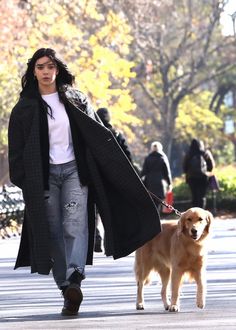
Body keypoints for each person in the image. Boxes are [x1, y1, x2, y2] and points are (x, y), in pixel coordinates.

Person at [8, 48, 161, 316]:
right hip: (43, 178)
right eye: (40, 67)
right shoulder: (24, 108)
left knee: (75, 225)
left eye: (50, 66)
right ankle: (67, 288)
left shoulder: (76, 99)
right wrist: (25, 180)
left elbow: (100, 135)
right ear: (33, 71)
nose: (46, 71)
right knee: (53, 232)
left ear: (58, 70)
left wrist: (115, 170)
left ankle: (75, 277)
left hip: (74, 172)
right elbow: (17, 151)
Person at [94, 107, 133, 252]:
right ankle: (110, 244)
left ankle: (96, 238)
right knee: (111, 211)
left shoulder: (93, 133)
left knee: (94, 210)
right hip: (115, 178)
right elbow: (127, 156)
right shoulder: (117, 134)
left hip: (96, 176)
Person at [183, 138, 215, 209]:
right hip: (203, 177)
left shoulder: (189, 153)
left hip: (191, 178)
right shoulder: (205, 153)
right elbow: (211, 165)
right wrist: (207, 171)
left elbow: (184, 167)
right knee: (202, 196)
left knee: (194, 196)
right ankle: (201, 213)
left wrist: (188, 172)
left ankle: (194, 213)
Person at [141, 141, 172, 211]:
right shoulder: (163, 158)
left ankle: (151, 219)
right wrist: (169, 183)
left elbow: (143, 172)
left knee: (151, 202)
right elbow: (167, 173)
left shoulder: (148, 158)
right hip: (160, 183)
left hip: (149, 182)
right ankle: (158, 218)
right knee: (158, 201)